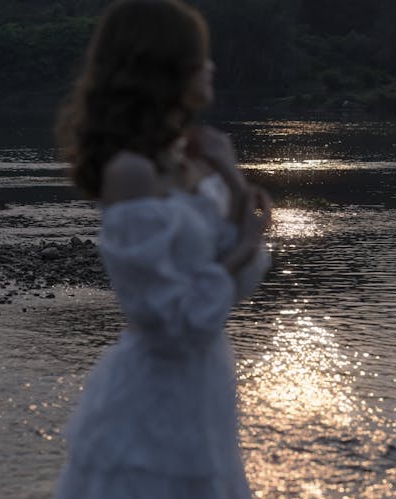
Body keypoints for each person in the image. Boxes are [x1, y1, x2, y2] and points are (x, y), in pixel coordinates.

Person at [53, 0, 271, 497]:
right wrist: (246, 244)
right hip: (152, 403)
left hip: (206, 389)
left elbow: (238, 285)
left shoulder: (192, 163)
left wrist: (233, 184)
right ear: (164, 67)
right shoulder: (131, 174)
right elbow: (167, 322)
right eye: (200, 57)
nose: (210, 67)